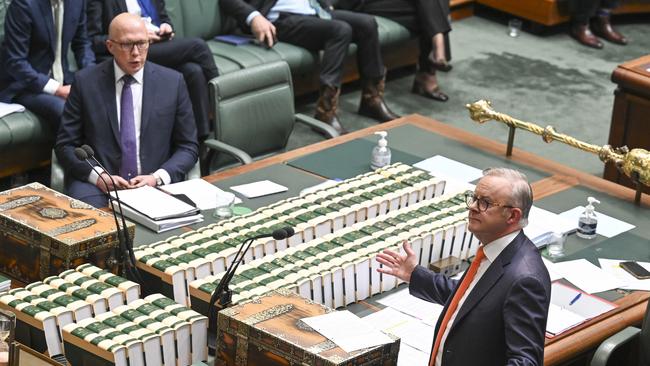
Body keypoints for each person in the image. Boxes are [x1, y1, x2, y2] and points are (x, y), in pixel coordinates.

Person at [376, 168, 551, 366]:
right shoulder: (493, 251)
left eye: (485, 203)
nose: (473, 207)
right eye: (474, 198)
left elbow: (526, 362)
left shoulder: (525, 279)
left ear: (512, 216)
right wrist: (415, 275)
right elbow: (472, 299)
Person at [55, 13, 199, 208]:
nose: (136, 53)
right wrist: (99, 176)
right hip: (98, 187)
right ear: (110, 46)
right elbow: (66, 146)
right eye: (126, 44)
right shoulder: (85, 83)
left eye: (142, 43)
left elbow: (188, 147)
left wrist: (157, 178)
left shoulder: (173, 83)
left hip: (154, 183)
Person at [220, 0, 400, 134]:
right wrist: (254, 17)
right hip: (278, 20)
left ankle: (372, 100)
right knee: (340, 30)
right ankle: (325, 112)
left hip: (314, 11)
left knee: (367, 24)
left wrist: (327, 6)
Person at [87, 0, 219, 140]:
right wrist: (139, 37)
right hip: (131, 51)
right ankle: (220, 106)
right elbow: (94, 40)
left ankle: (204, 140)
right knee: (198, 47)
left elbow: (163, 18)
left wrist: (166, 27)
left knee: (194, 71)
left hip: (158, 44)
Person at [0, 0, 95, 129]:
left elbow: (83, 44)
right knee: (66, 111)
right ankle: (70, 149)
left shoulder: (77, 2)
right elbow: (15, 62)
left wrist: (92, 77)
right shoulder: (23, 4)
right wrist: (57, 89)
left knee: (103, 101)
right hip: (25, 85)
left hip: (64, 78)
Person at [334, 0, 450, 101]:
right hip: (364, 3)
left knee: (428, 11)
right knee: (430, 14)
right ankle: (431, 64)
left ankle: (435, 51)